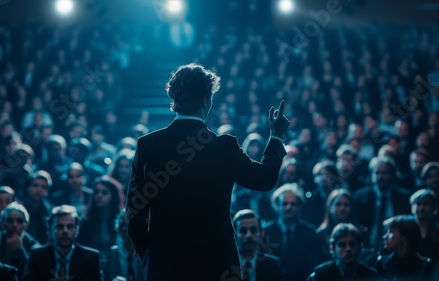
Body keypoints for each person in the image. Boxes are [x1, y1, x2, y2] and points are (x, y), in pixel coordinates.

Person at [126, 63, 289, 281]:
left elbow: (135, 211)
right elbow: (265, 179)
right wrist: (276, 137)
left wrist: (150, 251)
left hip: (165, 264)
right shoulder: (224, 147)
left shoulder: (148, 145)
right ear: (206, 99)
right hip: (216, 265)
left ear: (174, 99)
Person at [22, 205, 103, 281]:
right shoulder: (37, 256)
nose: (65, 231)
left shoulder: (90, 258)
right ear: (49, 230)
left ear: (77, 230)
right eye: (59, 227)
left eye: (70, 227)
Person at [263, 183, 325, 281]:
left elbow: (314, 264)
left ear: (299, 206)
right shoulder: (266, 232)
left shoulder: (310, 233)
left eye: (293, 204)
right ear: (277, 206)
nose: (289, 207)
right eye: (284, 204)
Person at [307, 223, 379, 281]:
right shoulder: (322, 274)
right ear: (332, 249)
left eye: (352, 244)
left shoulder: (371, 275)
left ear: (360, 247)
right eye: (342, 245)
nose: (348, 249)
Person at [376, 215, 434, 279]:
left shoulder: (425, 265)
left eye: (391, 232)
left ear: (405, 237)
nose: (384, 237)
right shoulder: (383, 264)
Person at [232, 209, 282, 281]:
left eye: (253, 230)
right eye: (243, 231)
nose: (249, 235)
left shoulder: (273, 265)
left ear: (262, 234)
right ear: (234, 235)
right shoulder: (224, 265)